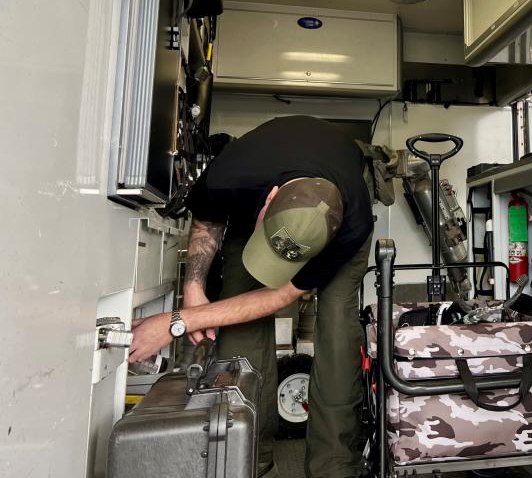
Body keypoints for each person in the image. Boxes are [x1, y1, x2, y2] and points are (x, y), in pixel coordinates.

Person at [130, 115, 374, 478]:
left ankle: (334, 467)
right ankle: (247, 457)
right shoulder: (233, 174)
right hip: (254, 201)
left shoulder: (353, 223)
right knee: (239, 325)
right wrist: (193, 290)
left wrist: (178, 323)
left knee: (338, 325)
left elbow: (281, 295)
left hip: (337, 208)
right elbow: (206, 222)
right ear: (270, 199)